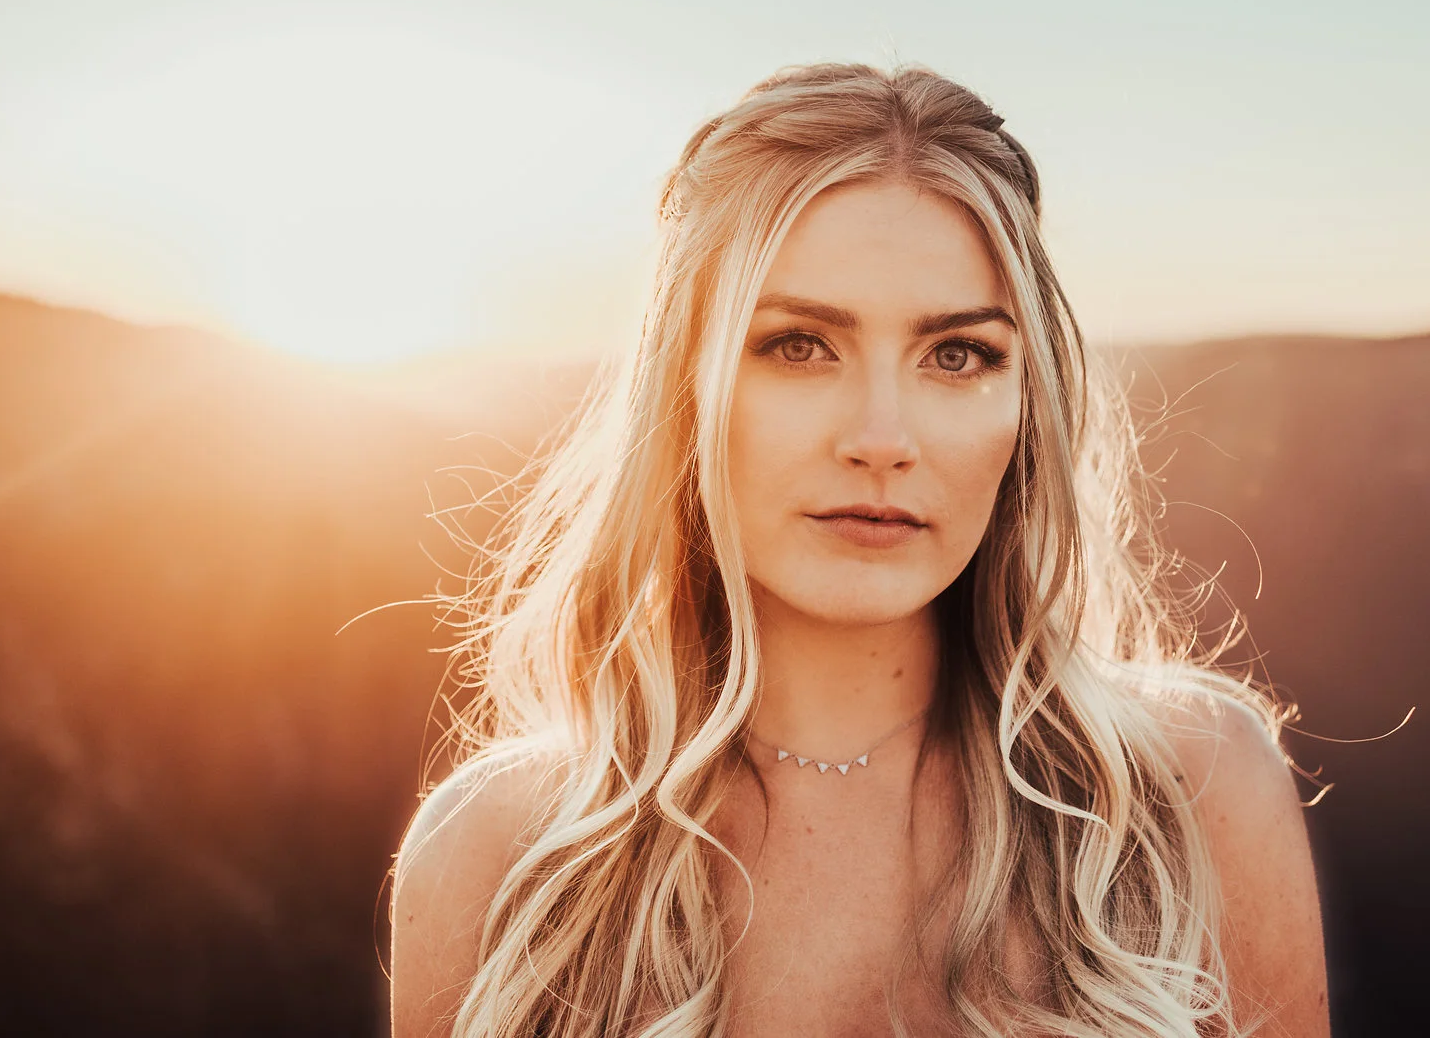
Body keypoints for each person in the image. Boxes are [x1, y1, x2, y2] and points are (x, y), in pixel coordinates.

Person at [390, 64, 1328, 1037]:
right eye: (798, 344)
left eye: (956, 353)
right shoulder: (495, 855)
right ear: (684, 389)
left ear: (1027, 406)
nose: (882, 435)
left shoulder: (1192, 790)